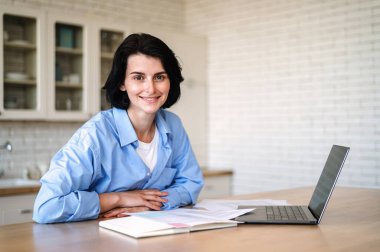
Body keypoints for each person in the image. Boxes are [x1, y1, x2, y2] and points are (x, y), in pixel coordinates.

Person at [33, 33, 204, 223]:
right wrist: (119, 199)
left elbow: (191, 183)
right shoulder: (95, 135)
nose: (151, 88)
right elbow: (46, 207)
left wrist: (149, 204)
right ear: (122, 83)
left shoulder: (173, 125)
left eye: (159, 77)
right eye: (138, 77)